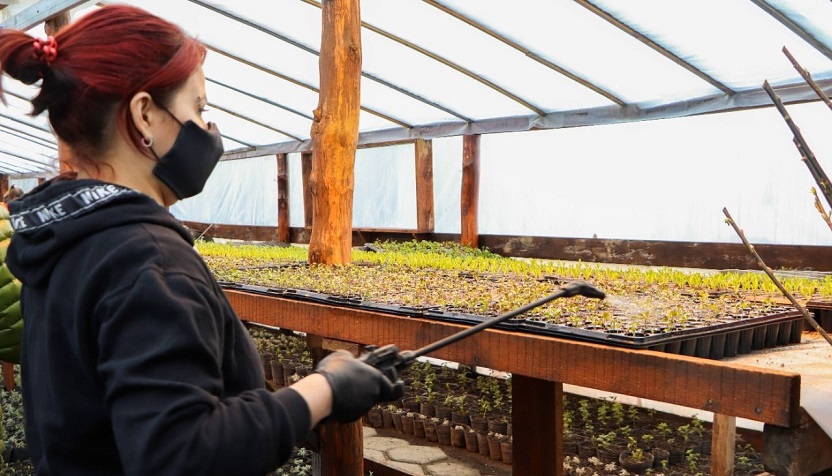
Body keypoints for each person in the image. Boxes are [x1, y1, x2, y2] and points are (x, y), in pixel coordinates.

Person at [0, 5, 402, 475]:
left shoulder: (59, 239)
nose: (208, 130)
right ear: (145, 115)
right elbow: (184, 454)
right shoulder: (144, 260)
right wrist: (321, 392)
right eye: (198, 108)